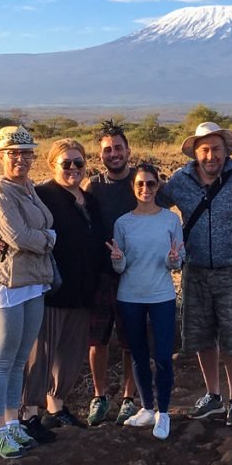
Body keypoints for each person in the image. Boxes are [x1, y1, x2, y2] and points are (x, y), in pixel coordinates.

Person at [160, 122, 232, 427]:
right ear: (195, 152)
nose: (211, 155)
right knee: (201, 335)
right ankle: (213, 395)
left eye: (216, 148)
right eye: (205, 149)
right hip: (195, 270)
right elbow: (152, 207)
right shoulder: (179, 181)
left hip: (231, 269)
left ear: (226, 150)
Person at [0, 126, 56, 457]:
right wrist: (51, 239)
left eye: (26, 153)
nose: (20, 159)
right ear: (1, 156)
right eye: (13, 154)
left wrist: (41, 236)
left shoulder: (29, 188)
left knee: (19, 359)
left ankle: (12, 425)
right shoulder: (0, 192)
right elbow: (20, 237)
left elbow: (31, 231)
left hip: (33, 281)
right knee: (2, 360)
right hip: (6, 284)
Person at [21, 138, 104, 430]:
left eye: (78, 163)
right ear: (51, 165)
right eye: (65, 163)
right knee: (40, 352)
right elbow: (16, 226)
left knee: (70, 353)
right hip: (51, 289)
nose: (73, 168)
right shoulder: (41, 195)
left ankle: (56, 407)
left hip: (83, 290)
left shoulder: (89, 199)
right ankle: (29, 412)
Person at [107, 164, 185, 440]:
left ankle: (164, 412)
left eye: (151, 184)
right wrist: (118, 260)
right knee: (138, 355)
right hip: (130, 296)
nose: (145, 189)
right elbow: (121, 267)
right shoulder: (123, 223)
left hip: (161, 295)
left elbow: (176, 262)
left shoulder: (170, 220)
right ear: (133, 187)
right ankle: (147, 408)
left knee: (163, 356)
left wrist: (173, 259)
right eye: (140, 184)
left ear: (158, 186)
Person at [82, 121, 141, 426]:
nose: (114, 153)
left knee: (131, 338)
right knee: (97, 339)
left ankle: (129, 398)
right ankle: (100, 396)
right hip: (102, 274)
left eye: (119, 147)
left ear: (128, 150)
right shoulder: (93, 186)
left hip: (135, 274)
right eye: (108, 149)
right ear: (100, 154)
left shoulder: (141, 183)